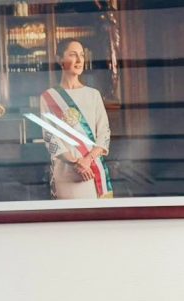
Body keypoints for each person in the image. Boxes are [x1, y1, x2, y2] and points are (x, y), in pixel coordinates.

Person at [39, 39, 112, 199]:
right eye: (73, 55)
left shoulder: (93, 95)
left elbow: (104, 133)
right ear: (60, 59)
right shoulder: (48, 97)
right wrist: (74, 162)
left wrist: (87, 161)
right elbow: (50, 137)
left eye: (82, 55)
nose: (79, 60)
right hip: (66, 173)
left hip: (92, 169)